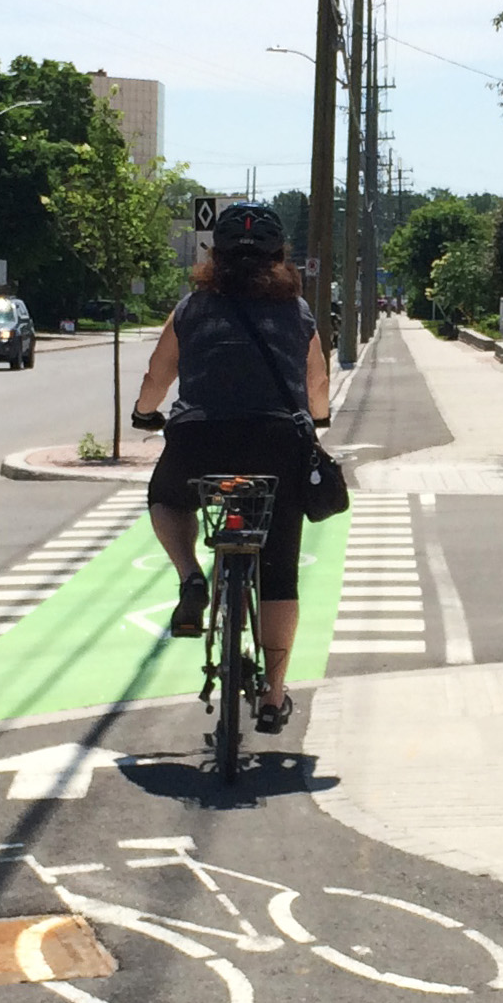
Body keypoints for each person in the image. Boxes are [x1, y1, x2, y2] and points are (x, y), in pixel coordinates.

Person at [129, 201, 332, 732]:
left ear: (213, 256)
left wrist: (144, 413)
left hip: (202, 438)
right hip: (276, 443)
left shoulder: (193, 308)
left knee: (167, 497)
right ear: (281, 257)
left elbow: (158, 373)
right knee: (280, 568)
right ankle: (273, 696)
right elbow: (317, 384)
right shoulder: (298, 313)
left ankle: (192, 576)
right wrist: (319, 419)